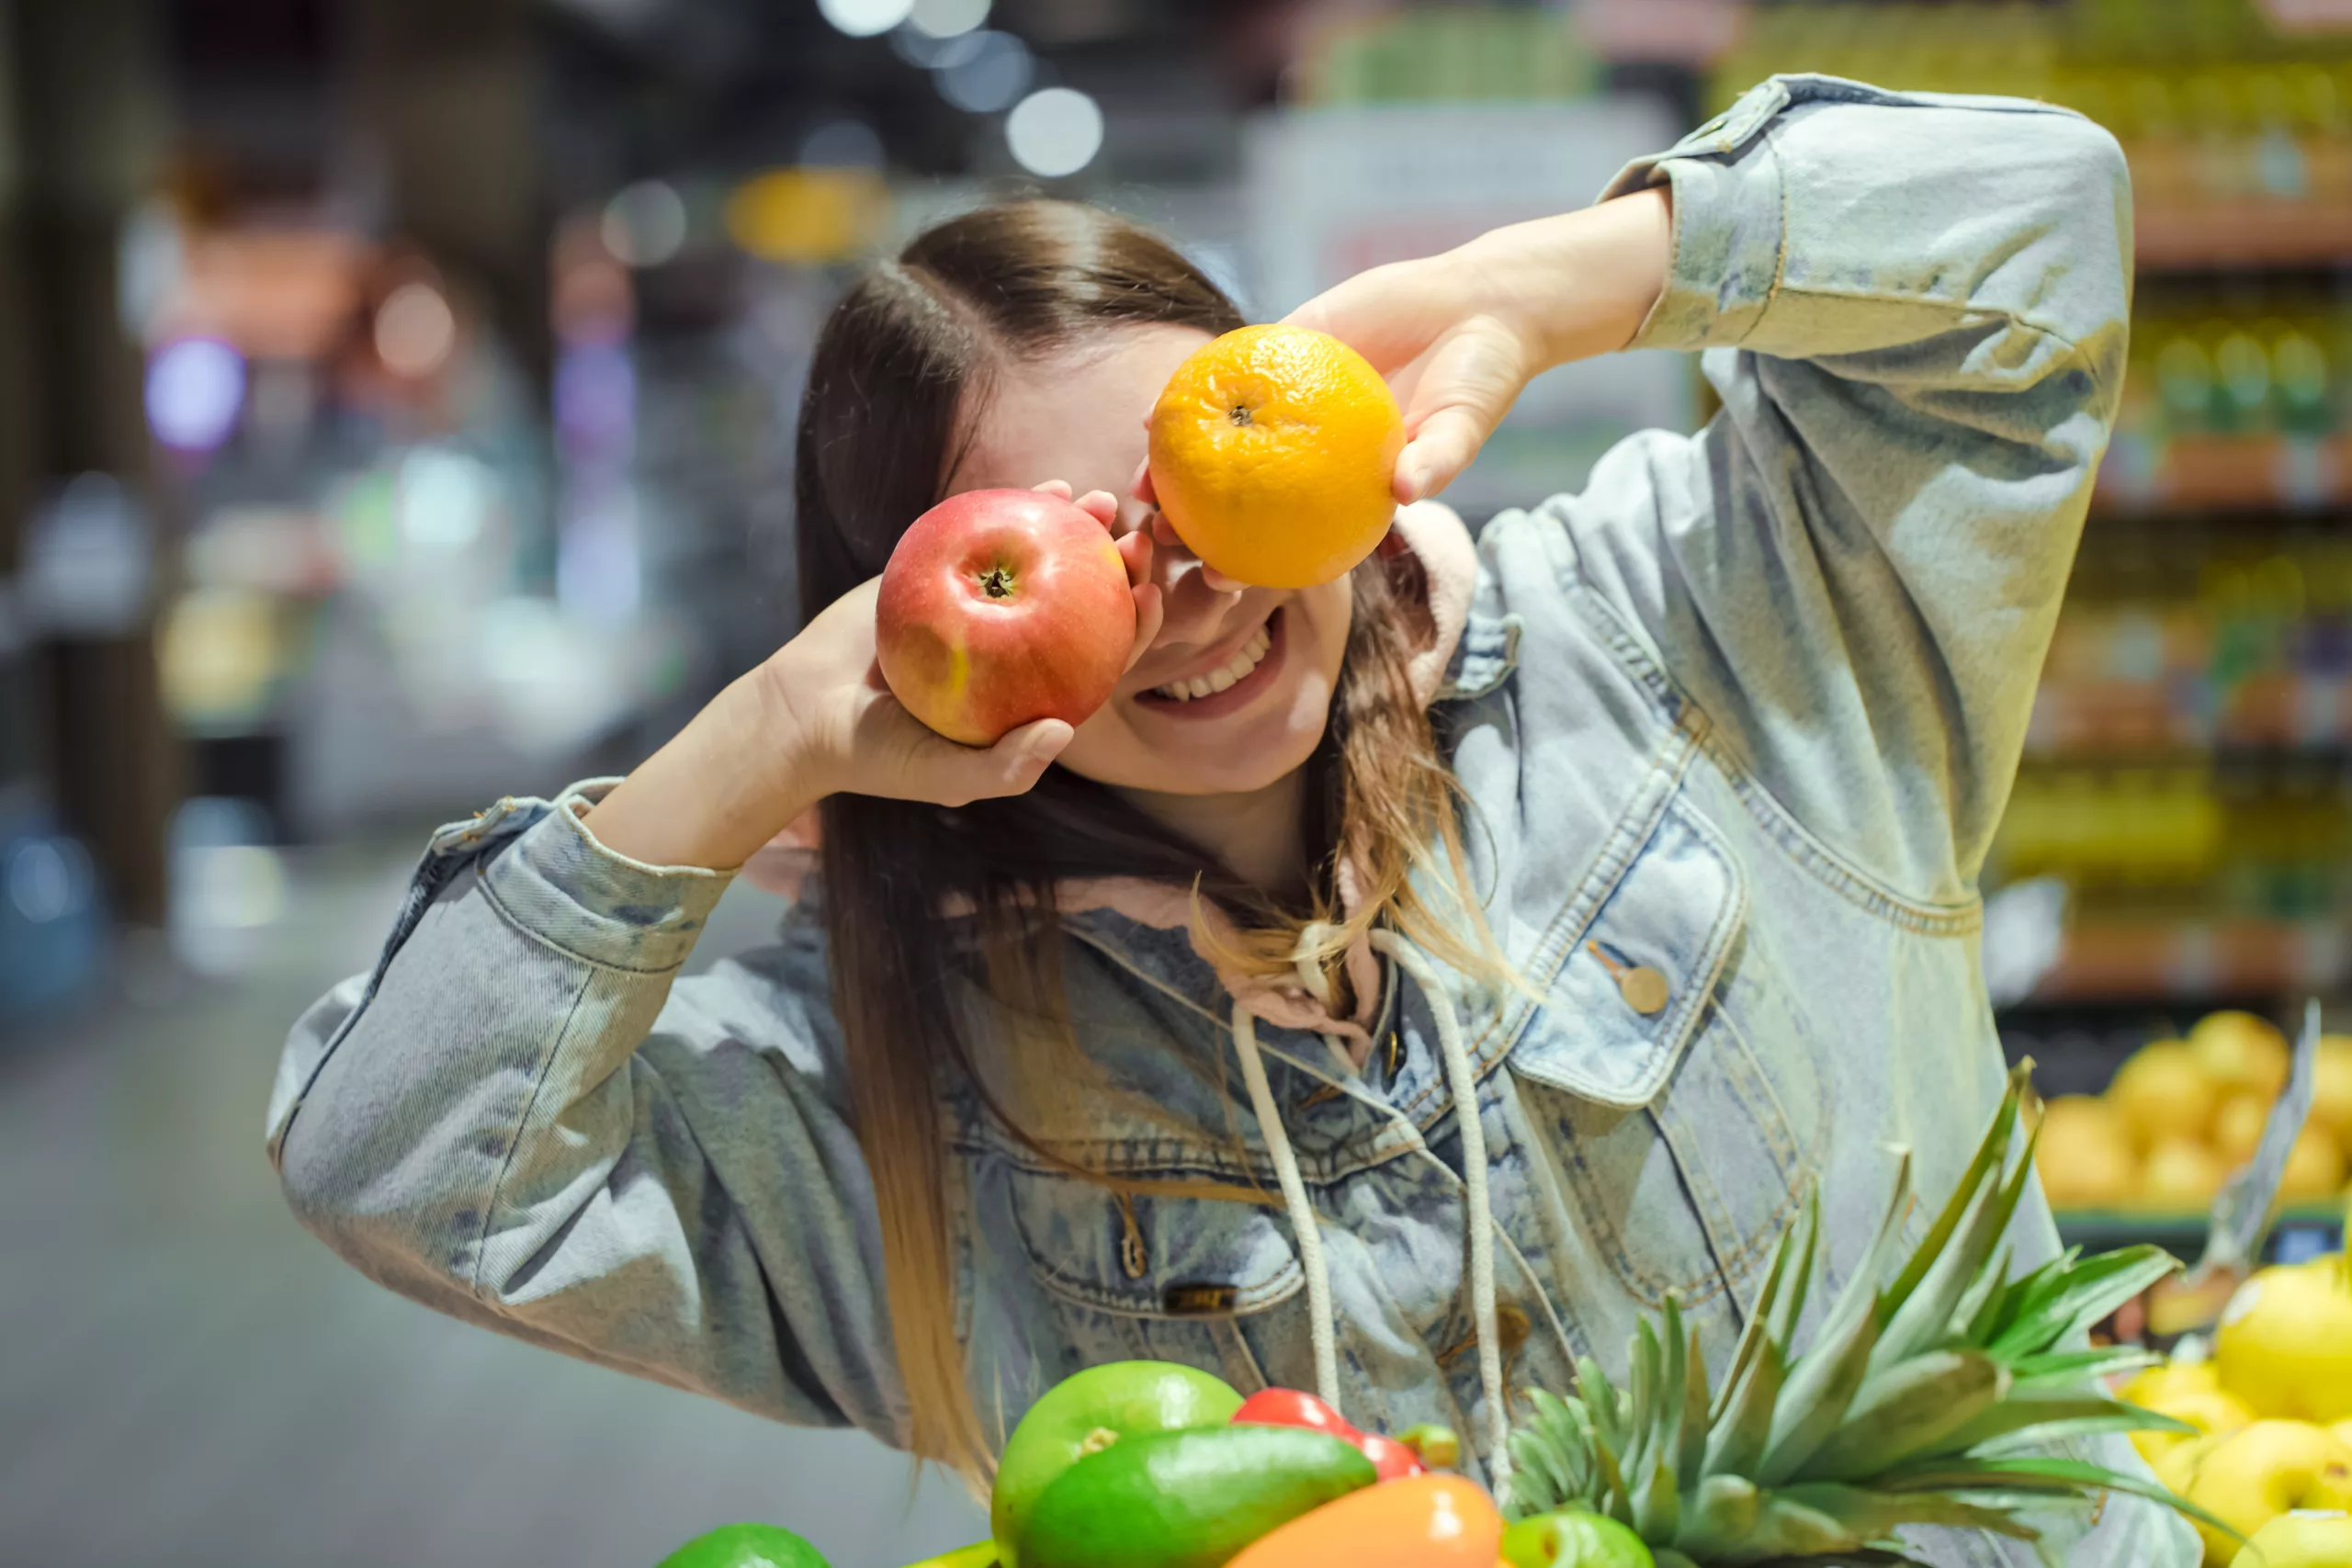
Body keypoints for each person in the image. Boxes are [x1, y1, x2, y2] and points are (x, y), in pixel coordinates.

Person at [268, 76, 2190, 1564]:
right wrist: (769, 731)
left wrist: (1535, 285)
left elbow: (2039, 233)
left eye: (1200, 487)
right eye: (1063, 557)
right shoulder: (889, 1084)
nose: (1178, 600)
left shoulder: (1681, 637)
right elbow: (400, 1161)